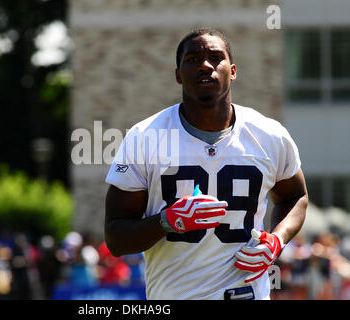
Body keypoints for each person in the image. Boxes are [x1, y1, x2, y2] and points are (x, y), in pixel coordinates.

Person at [104, 28, 308, 300]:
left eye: (215, 57)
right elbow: (116, 238)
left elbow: (296, 196)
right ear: (178, 75)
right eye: (192, 59)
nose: (204, 65)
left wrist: (276, 240)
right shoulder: (145, 137)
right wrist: (167, 221)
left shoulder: (268, 135)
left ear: (232, 71)